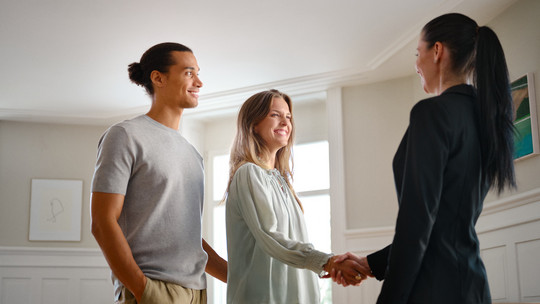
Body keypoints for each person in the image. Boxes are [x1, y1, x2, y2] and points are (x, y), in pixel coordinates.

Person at [332, 13, 516, 304]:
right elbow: (441, 225)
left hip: (434, 290)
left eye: (418, 53)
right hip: (472, 287)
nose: (416, 64)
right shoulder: (484, 119)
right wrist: (370, 263)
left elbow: (417, 224)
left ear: (438, 51)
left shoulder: (432, 113)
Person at [91, 42, 227, 304]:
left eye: (198, 73)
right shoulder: (125, 136)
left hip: (197, 292)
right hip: (152, 290)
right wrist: (143, 290)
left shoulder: (192, 154)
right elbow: (102, 221)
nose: (199, 82)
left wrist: (237, 275)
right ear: (158, 78)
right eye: (189, 73)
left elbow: (187, 237)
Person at [224, 89, 367, 304]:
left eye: (288, 116)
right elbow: (271, 237)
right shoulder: (249, 173)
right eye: (275, 115)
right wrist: (326, 261)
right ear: (253, 123)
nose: (285, 122)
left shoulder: (282, 182)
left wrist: (328, 264)